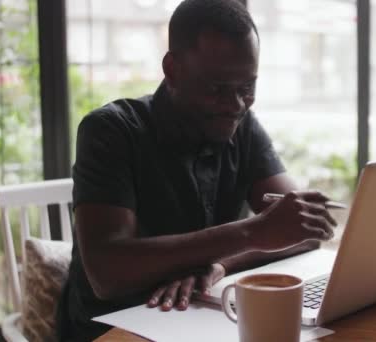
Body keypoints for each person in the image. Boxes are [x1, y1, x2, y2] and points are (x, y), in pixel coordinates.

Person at [56, 0, 339, 340]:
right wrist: (250, 233)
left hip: (200, 319)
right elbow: (107, 273)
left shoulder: (242, 126)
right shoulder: (112, 131)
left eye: (247, 88)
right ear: (172, 69)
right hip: (113, 328)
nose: (235, 105)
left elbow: (304, 229)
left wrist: (220, 265)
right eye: (217, 89)